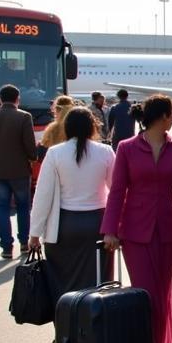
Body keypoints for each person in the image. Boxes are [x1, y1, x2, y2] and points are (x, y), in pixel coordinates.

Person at [101, 95, 172, 343]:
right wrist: (110, 230)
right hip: (135, 234)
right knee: (145, 296)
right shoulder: (126, 148)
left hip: (167, 234)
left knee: (161, 295)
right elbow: (117, 193)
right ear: (163, 116)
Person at [28, 107, 114, 296]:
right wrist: (115, 227)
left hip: (63, 226)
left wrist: (34, 233)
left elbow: (43, 195)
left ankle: (66, 322)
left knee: (62, 284)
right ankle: (96, 323)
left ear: (66, 127)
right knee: (99, 284)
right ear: (93, 126)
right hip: (98, 224)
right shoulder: (106, 151)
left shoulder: (55, 153)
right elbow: (116, 192)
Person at [0, 84, 37, 259]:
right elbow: (29, 144)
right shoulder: (24, 117)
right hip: (20, 170)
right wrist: (33, 157)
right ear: (17, 98)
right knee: (23, 207)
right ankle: (23, 243)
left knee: (2, 208)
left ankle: (6, 247)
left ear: (0, 98)